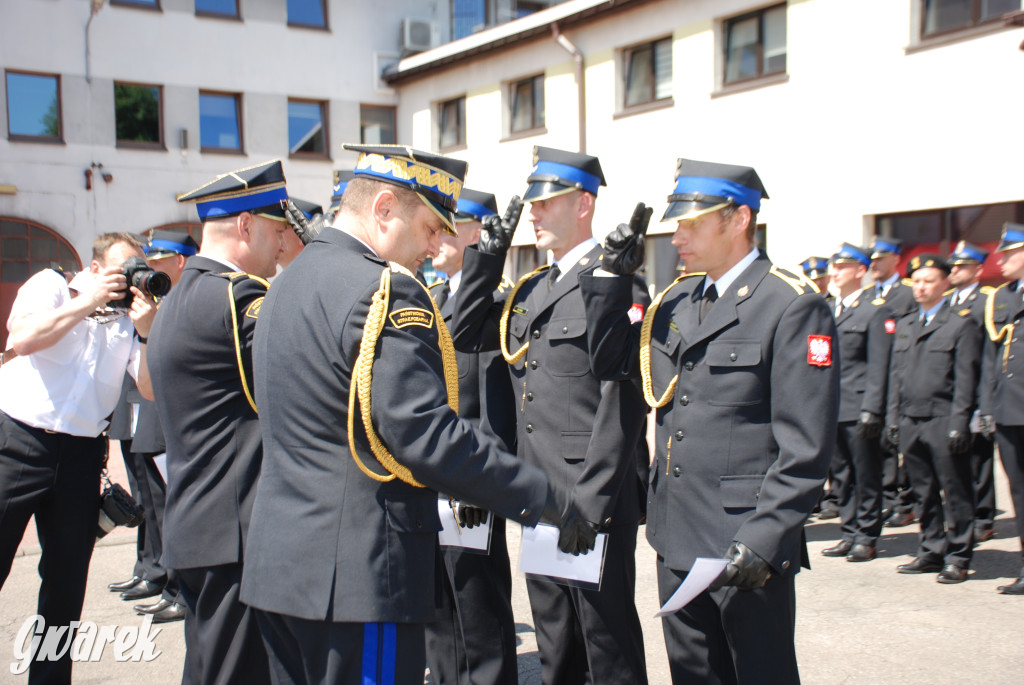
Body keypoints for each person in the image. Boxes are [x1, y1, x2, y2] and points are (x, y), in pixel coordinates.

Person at [239, 144, 588, 685]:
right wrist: (546, 501)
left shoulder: (283, 283)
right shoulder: (383, 289)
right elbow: (426, 435)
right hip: (360, 577)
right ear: (383, 208)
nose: (437, 245)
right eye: (429, 228)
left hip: (279, 570)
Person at [579, 158, 840, 684]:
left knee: (757, 674)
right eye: (677, 224)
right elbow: (611, 361)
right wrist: (611, 276)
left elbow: (806, 448)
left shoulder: (789, 305)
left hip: (744, 543)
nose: (678, 236)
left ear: (739, 219)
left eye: (692, 223)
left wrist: (767, 538)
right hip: (677, 538)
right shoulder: (677, 300)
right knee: (694, 675)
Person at [451, 146, 651, 685]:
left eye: (546, 202)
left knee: (607, 648)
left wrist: (592, 501)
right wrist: (485, 257)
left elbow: (621, 401)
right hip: (537, 494)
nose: (533, 214)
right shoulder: (529, 288)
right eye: (532, 204)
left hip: (589, 498)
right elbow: (464, 334)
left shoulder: (618, 281)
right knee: (555, 647)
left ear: (583, 204)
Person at [145, 159, 291, 684]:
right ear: (246, 225)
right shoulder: (239, 299)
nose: (283, 246)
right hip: (237, 533)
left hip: (197, 524)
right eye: (278, 231)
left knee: (211, 669)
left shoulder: (181, 296)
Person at [0, 233, 157, 684]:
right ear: (92, 267)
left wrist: (147, 334)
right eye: (120, 271)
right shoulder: (51, 286)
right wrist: (85, 303)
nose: (127, 283)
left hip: (82, 456)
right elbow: (24, 338)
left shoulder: (128, 321)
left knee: (65, 589)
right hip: (20, 443)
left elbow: (147, 388)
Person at [423, 188, 519, 685]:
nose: (435, 236)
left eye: (448, 226)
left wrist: (484, 481)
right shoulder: (433, 298)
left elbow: (496, 407)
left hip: (470, 484)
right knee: (439, 611)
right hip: (430, 479)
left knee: (478, 613)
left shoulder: (496, 305)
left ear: (478, 233)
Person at [107, 230, 197, 624]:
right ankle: (157, 574)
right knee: (153, 506)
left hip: (166, 418)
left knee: (171, 508)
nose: (150, 269)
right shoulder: (153, 299)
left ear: (180, 261)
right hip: (143, 413)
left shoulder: (183, 301)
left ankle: (176, 586)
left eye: (159, 261)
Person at [885, 254, 982, 584]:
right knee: (923, 491)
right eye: (917, 281)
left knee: (955, 490)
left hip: (943, 419)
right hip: (911, 419)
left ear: (944, 283)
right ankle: (931, 549)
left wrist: (960, 422)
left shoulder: (960, 323)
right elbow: (896, 376)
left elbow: (966, 379)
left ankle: (958, 555)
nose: (921, 287)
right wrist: (893, 419)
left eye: (928, 281)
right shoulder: (906, 324)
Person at [820, 244, 896, 563]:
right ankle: (848, 531)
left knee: (866, 474)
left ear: (860, 271)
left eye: (842, 267)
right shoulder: (826, 310)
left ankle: (866, 535)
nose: (834, 273)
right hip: (830, 407)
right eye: (834, 267)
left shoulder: (875, 310)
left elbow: (880, 366)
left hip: (859, 406)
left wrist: (872, 409)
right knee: (840, 474)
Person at [980, 222, 1024, 594]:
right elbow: (990, 359)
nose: (1002, 260)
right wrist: (986, 407)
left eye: (1010, 253)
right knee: (1019, 492)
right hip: (1009, 411)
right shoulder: (1003, 296)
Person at [947, 240, 997, 542]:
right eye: (953, 265)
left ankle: (984, 516)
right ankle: (965, 513)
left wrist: (987, 402)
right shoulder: (949, 301)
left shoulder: (986, 300)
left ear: (978, 270)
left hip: (978, 389)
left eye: (962, 266)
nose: (955, 270)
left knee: (980, 457)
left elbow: (990, 355)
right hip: (953, 392)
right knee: (960, 460)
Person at [869, 236, 918, 528]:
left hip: (901, 375)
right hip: (876, 377)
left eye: (881, 258)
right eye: (872, 259)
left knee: (905, 444)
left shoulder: (908, 294)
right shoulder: (869, 295)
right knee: (881, 445)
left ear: (896, 260)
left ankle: (907, 502)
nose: (874, 264)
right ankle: (887, 499)